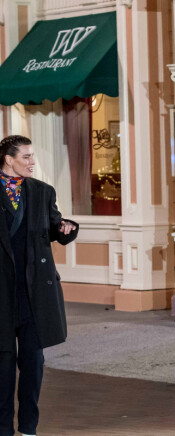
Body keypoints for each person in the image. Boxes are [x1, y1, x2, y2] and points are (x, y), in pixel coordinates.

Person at [0, 135, 78, 436]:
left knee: (33, 363)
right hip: (3, 294)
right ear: (9, 159)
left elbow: (54, 225)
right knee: (3, 365)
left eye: (33, 156)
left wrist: (65, 229)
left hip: (35, 292)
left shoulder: (42, 191)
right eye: (27, 157)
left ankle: (29, 428)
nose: (33, 162)